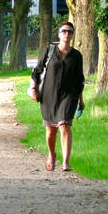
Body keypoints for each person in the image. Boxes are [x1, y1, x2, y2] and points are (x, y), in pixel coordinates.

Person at [30, 20, 85, 172]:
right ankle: (52, 154)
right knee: (50, 131)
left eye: (69, 32)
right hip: (49, 95)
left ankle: (66, 162)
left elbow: (80, 79)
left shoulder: (76, 56)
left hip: (69, 95)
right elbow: (37, 71)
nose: (66, 34)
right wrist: (33, 89)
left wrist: (81, 100)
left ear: (73, 35)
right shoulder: (50, 51)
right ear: (59, 34)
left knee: (64, 125)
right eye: (64, 31)